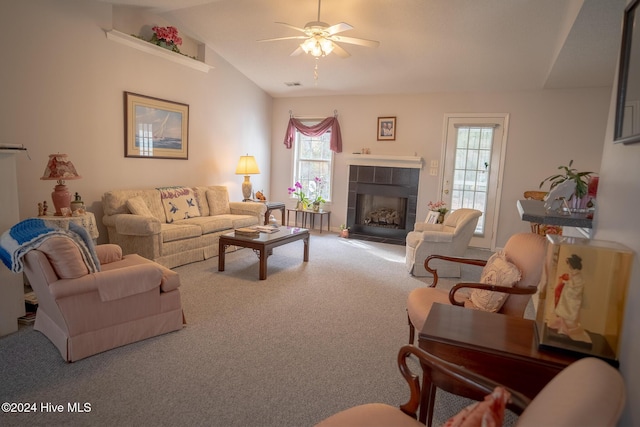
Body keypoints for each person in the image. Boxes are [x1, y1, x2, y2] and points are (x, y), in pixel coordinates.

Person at [547, 254, 591, 343]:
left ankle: (568, 330)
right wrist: (564, 280)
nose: (569, 266)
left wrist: (567, 282)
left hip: (571, 300)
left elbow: (577, 287)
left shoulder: (579, 276)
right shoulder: (572, 274)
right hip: (566, 297)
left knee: (569, 317)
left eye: (570, 265)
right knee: (562, 312)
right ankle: (561, 327)